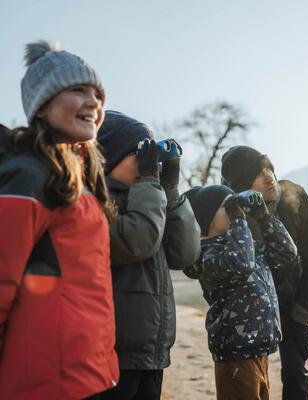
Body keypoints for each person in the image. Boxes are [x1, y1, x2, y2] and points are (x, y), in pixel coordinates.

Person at [0, 40, 119, 399]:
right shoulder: (29, 176)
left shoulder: (78, 178)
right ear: (43, 103)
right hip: (47, 383)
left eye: (97, 93)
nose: (94, 102)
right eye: (78, 90)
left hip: (91, 373)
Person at [97, 110, 201, 400]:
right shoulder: (96, 203)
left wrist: (171, 191)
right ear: (110, 156)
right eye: (140, 154)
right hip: (115, 352)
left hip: (153, 351)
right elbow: (137, 240)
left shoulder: (150, 199)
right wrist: (150, 183)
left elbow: (186, 253)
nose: (149, 164)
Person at [221, 146, 308, 400]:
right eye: (258, 173)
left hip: (292, 305)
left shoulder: (296, 200)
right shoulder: (226, 214)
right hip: (248, 313)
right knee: (249, 384)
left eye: (268, 168)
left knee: (296, 378)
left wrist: (302, 315)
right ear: (240, 182)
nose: (268, 175)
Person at [184, 185, 297, 400]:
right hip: (235, 354)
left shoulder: (244, 244)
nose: (234, 209)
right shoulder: (207, 255)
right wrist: (237, 217)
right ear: (208, 216)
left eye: (233, 204)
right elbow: (241, 264)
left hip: (258, 350)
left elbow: (286, 253)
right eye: (226, 205)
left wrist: (264, 217)